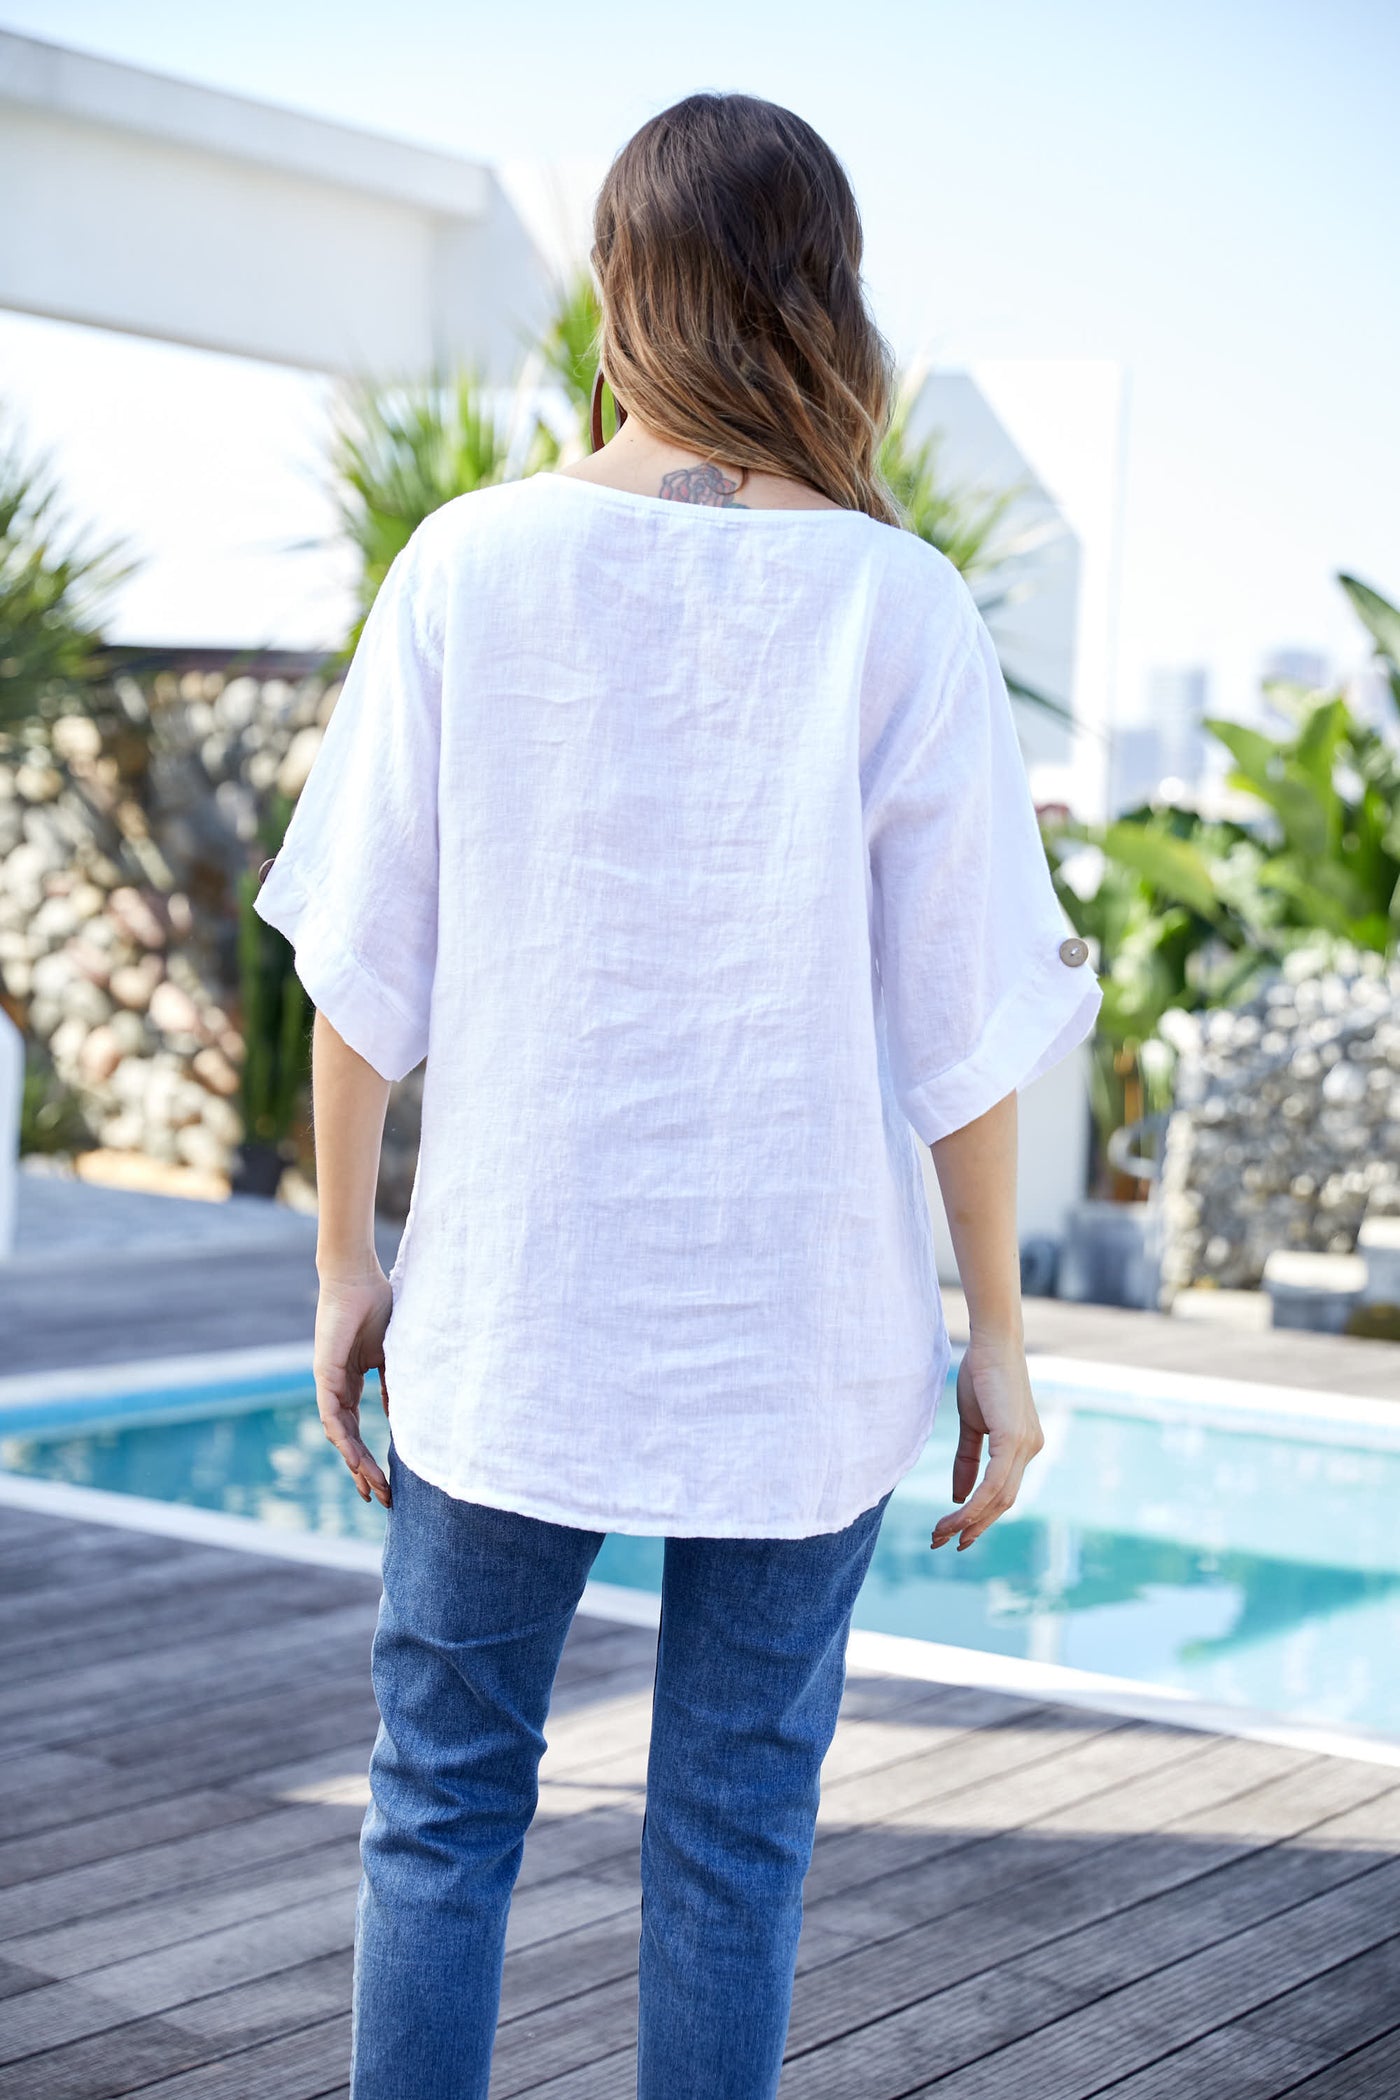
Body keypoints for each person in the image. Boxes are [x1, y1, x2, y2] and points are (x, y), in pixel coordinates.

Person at [255, 89, 1103, 2100]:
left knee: (441, 1801)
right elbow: (964, 1033)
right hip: (797, 1333)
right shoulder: (901, 604)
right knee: (736, 1831)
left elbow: (362, 969)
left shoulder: (467, 566)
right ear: (823, 296)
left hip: (513, 1311)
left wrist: (347, 1261)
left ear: (621, 287)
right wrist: (995, 1333)